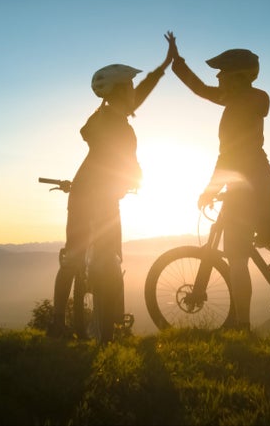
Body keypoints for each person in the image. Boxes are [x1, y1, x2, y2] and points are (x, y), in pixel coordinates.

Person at [165, 32, 270, 332]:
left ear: (236, 76)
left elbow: (228, 158)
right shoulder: (250, 100)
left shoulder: (236, 107)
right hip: (264, 182)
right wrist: (177, 62)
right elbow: (201, 88)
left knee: (236, 259)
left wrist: (209, 191)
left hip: (242, 191)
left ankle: (242, 326)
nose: (218, 78)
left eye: (222, 73)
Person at [49, 44, 172, 342]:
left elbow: (141, 93)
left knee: (84, 256)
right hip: (97, 196)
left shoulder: (109, 115)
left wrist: (163, 66)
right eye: (129, 85)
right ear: (118, 91)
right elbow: (122, 158)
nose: (133, 90)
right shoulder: (113, 124)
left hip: (93, 193)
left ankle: (73, 324)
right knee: (90, 256)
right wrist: (137, 176)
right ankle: (82, 322)